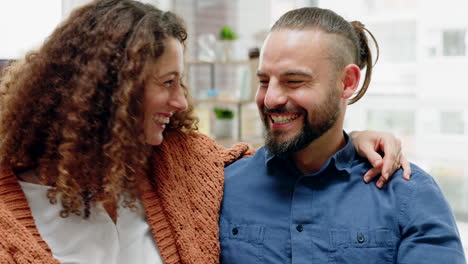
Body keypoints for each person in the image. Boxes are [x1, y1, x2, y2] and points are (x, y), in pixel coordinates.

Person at [0, 1, 409, 263]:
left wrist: (350, 139)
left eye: (182, 82)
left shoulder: (177, 163)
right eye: (167, 83)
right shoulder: (9, 217)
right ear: (110, 91)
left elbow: (282, 154)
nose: (181, 102)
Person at [220, 7, 466, 264]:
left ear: (347, 82)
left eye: (293, 81)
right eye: (263, 81)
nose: (270, 98)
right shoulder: (222, 187)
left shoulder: (409, 194)